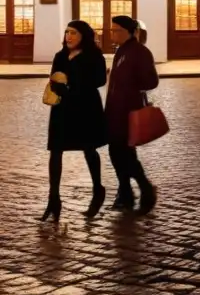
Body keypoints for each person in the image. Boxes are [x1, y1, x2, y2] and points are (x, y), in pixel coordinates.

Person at [42, 21, 108, 224]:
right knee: (56, 150)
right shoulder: (60, 56)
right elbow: (54, 78)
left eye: (74, 33)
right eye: (67, 32)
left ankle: (98, 189)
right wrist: (59, 86)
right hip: (62, 108)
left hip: (85, 108)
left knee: (89, 149)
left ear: (84, 36)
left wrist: (73, 85)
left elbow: (100, 81)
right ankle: (54, 198)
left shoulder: (94, 56)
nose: (68, 36)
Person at [105, 15, 159, 215]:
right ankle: (126, 191)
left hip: (129, 111)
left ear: (128, 31)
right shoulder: (121, 51)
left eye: (116, 30)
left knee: (125, 154)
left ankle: (143, 189)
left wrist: (132, 84)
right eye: (112, 30)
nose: (112, 33)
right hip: (115, 111)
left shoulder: (140, 52)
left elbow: (151, 81)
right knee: (117, 153)